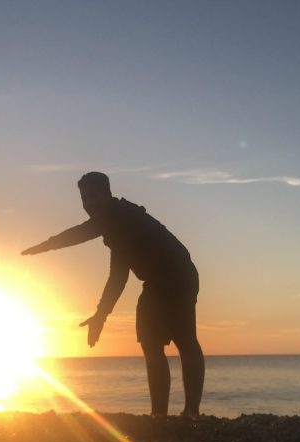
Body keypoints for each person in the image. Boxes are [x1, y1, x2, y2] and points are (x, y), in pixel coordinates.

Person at [22, 172, 204, 417]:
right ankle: (159, 416)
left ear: (106, 195)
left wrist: (101, 314)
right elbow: (78, 233)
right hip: (155, 282)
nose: (88, 204)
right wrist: (46, 245)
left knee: (185, 341)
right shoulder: (107, 220)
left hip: (179, 276)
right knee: (151, 344)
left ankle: (191, 412)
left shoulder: (122, 219)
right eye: (84, 198)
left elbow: (118, 277)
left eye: (93, 197)